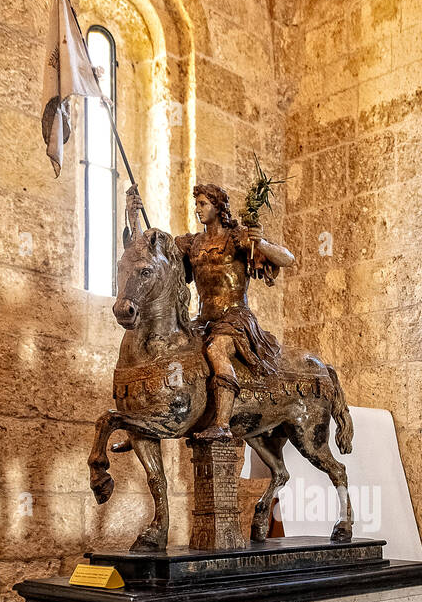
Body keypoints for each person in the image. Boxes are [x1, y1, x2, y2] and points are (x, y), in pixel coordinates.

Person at [125, 181, 295, 439]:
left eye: (203, 204)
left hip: (235, 318)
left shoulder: (237, 238)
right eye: (196, 204)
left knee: (216, 350)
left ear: (218, 207)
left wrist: (259, 243)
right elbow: (150, 257)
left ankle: (223, 424)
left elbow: (288, 259)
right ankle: (150, 423)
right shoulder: (192, 244)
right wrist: (133, 217)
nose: (198, 209)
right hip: (203, 320)